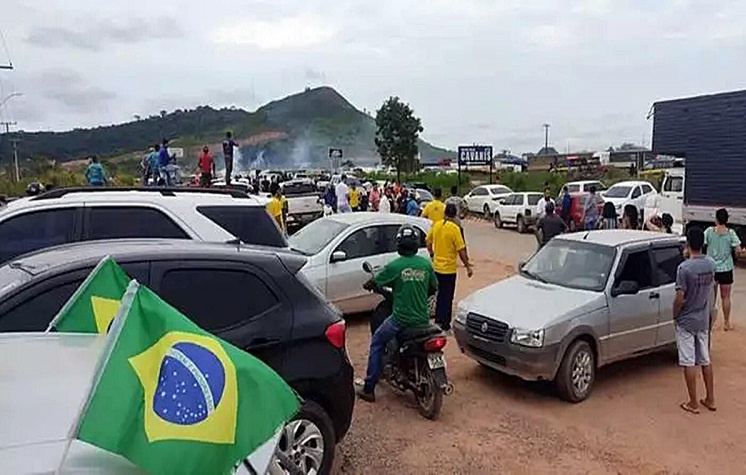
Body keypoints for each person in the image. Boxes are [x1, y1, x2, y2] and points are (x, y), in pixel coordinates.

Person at [356, 225, 438, 402]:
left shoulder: (395, 266)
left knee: (377, 340)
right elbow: (433, 287)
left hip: (400, 319)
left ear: (399, 244)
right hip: (423, 320)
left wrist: (369, 285)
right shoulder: (425, 264)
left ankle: (369, 388)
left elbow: (374, 282)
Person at [674, 227, 716, 414]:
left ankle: (693, 402)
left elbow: (679, 298)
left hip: (686, 320)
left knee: (688, 361)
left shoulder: (684, 268)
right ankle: (710, 399)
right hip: (703, 319)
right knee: (705, 359)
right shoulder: (710, 264)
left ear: (688, 244)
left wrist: (675, 314)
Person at [426, 203, 473, 332]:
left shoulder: (436, 225)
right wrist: (467, 265)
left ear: (445, 213)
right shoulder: (454, 229)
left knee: (439, 295)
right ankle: (445, 325)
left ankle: (437, 320)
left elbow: (428, 241)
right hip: (449, 269)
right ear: (455, 214)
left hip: (436, 268)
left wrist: (432, 254)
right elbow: (461, 250)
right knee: (447, 296)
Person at [704, 208, 744, 331]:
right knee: (725, 297)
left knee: (711, 298)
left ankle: (709, 323)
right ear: (727, 219)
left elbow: (702, 244)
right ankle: (726, 323)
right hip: (726, 269)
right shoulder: (731, 233)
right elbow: (738, 250)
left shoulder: (709, 232)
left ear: (716, 219)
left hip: (712, 269)